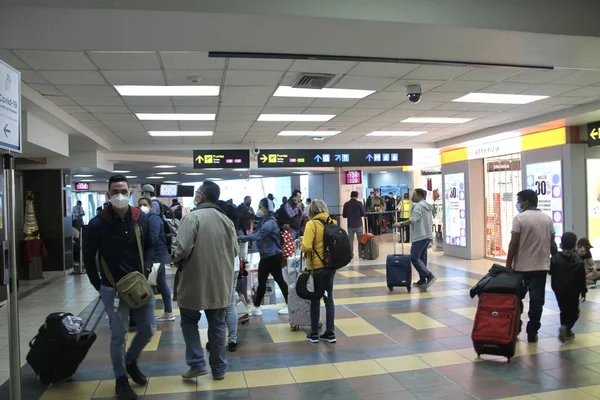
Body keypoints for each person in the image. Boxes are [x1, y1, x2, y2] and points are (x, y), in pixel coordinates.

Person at [83, 175, 155, 400]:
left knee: (148, 328)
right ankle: (121, 379)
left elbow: (150, 246)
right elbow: (88, 257)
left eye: (123, 190)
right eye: (115, 191)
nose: (120, 195)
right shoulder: (98, 223)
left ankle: (130, 360)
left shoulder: (139, 218)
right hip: (112, 289)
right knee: (118, 334)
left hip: (139, 284)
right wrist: (100, 286)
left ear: (130, 192)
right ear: (108, 194)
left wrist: (147, 268)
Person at [174, 181, 237, 380]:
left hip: (194, 279)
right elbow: (235, 251)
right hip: (220, 281)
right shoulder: (227, 221)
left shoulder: (192, 218)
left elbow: (181, 249)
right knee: (217, 324)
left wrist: (174, 258)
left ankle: (196, 363)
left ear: (201, 196)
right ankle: (219, 370)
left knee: (189, 320)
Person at [506, 189, 557, 343]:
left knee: (516, 299)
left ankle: (515, 327)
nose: (518, 204)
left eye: (519, 201)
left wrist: (508, 264)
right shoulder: (547, 219)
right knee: (537, 300)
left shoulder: (520, 219)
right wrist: (556, 257)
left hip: (521, 267)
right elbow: (552, 243)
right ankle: (532, 331)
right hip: (541, 267)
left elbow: (514, 243)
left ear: (526, 202)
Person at [239, 198, 289, 316]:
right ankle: (256, 307)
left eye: (261, 207)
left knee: (279, 280)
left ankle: (289, 304)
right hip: (266, 256)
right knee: (261, 281)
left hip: (273, 256)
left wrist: (240, 238)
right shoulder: (264, 220)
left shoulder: (270, 223)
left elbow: (258, 235)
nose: (259, 209)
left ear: (267, 209)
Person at [302, 199, 337, 344]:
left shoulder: (311, 224)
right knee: (329, 299)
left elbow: (306, 247)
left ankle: (314, 333)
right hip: (331, 267)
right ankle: (330, 333)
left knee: (315, 299)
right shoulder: (332, 223)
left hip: (316, 268)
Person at [139, 197, 175, 322]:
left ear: (150, 206)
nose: (142, 207)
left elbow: (152, 238)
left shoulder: (153, 218)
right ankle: (168, 311)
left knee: (150, 285)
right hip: (157, 255)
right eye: (140, 205)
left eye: (144, 204)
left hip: (156, 256)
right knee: (161, 283)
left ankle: (149, 315)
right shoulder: (147, 218)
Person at [394, 189, 436, 288]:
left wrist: (400, 224)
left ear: (420, 196)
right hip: (427, 235)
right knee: (422, 258)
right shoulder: (427, 206)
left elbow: (414, 219)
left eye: (414, 195)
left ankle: (429, 276)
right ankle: (422, 279)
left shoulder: (418, 206)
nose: (412, 197)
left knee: (414, 257)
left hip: (420, 236)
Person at [550, 232, 587, 343]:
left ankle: (566, 331)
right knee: (574, 312)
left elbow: (551, 272)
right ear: (575, 245)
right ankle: (566, 328)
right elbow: (581, 278)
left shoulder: (555, 259)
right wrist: (583, 290)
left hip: (559, 289)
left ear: (561, 244)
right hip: (573, 290)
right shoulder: (578, 261)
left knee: (563, 310)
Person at [343, 191, 366, 259]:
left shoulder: (346, 204)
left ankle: (350, 255)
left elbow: (344, 215)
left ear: (351, 195)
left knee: (350, 241)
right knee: (360, 240)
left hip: (350, 224)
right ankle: (360, 254)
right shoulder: (359, 204)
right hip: (358, 224)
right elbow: (363, 213)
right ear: (357, 196)